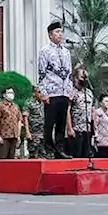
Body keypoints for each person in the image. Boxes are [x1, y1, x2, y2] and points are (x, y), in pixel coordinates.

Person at [35, 22, 74, 158]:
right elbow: (41, 73)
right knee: (49, 123)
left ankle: (60, 149)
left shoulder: (66, 52)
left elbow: (69, 73)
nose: (60, 34)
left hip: (63, 92)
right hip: (51, 92)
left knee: (61, 124)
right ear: (50, 35)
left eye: (61, 32)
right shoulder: (45, 51)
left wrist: (70, 90)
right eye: (57, 32)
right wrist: (43, 93)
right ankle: (49, 149)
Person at [67, 68, 94, 159]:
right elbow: (68, 110)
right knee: (77, 155)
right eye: (81, 76)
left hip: (88, 128)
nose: (83, 78)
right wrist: (70, 128)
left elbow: (92, 110)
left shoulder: (89, 93)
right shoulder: (72, 92)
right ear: (75, 78)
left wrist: (94, 128)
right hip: (76, 129)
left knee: (86, 156)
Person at [0, 87, 25, 159]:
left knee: (12, 158)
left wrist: (18, 136)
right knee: (2, 157)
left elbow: (19, 120)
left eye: (12, 93)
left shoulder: (16, 106)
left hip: (14, 136)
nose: (11, 95)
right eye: (9, 93)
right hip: (4, 136)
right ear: (4, 95)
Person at [93, 95, 108, 161]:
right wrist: (96, 137)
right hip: (101, 141)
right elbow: (95, 126)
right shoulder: (97, 112)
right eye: (106, 101)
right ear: (101, 103)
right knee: (102, 160)